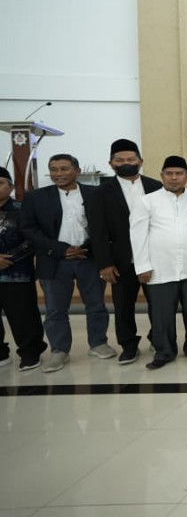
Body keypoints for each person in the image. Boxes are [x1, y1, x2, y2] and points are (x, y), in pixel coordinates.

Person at [20, 154, 111, 372]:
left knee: (96, 304)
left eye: (63, 169)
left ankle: (98, 343)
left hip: (88, 258)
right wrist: (60, 249)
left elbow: (104, 225)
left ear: (77, 171)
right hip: (53, 260)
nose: (58, 174)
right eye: (53, 169)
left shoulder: (95, 194)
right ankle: (59, 350)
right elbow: (28, 229)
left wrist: (86, 248)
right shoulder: (36, 198)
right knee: (55, 309)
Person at [86, 138, 162, 365]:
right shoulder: (99, 193)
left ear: (140, 161)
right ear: (111, 164)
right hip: (120, 261)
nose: (126, 163)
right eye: (120, 160)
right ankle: (128, 346)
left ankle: (158, 340)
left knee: (159, 304)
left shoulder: (156, 186)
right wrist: (104, 264)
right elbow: (97, 232)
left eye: (131, 159)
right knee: (123, 306)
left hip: (154, 258)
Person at [129, 156, 187, 369]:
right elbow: (137, 236)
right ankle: (164, 352)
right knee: (162, 314)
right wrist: (142, 266)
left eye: (179, 173)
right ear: (162, 176)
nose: (174, 178)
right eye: (169, 174)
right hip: (159, 268)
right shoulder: (147, 201)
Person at [0, 166, 47, 371]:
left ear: (10, 186)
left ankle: (30, 353)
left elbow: (33, 239)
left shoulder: (23, 209)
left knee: (22, 315)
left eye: (0, 183)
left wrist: (8, 258)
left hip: (16, 272)